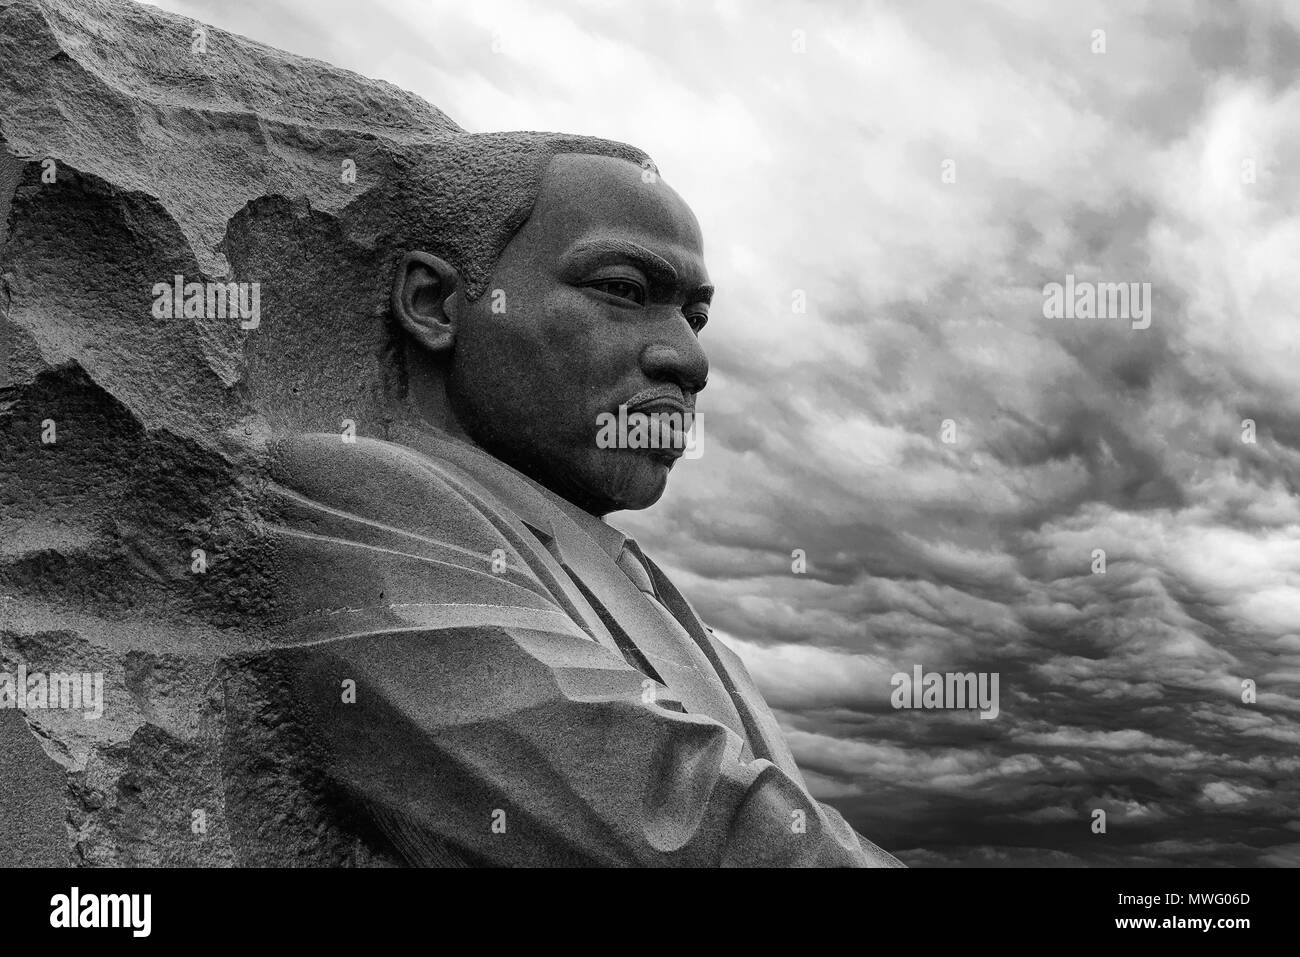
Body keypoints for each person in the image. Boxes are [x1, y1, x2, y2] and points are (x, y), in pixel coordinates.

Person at [256, 137, 902, 867]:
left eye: (695, 316)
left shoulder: (646, 583)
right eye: (623, 290)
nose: (689, 360)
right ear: (435, 304)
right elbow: (677, 821)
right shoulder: (353, 494)